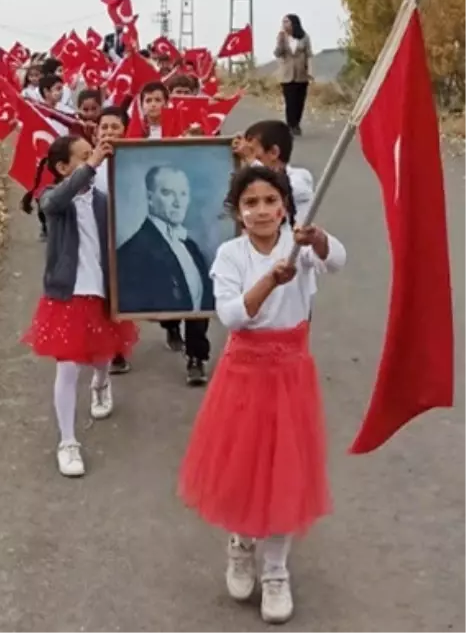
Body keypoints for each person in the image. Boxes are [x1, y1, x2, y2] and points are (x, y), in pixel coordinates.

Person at [177, 165, 345, 624]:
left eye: (272, 201)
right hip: (244, 372)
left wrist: (319, 240)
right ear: (238, 211)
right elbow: (232, 315)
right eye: (251, 203)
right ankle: (240, 542)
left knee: (285, 472)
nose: (263, 211)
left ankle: (276, 571)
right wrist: (272, 278)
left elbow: (338, 261)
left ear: (285, 205)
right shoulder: (230, 255)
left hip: (291, 372)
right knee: (243, 468)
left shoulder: (300, 244)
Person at [22, 135, 138, 477]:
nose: (95, 159)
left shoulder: (103, 201)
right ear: (63, 167)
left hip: (103, 291)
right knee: (68, 365)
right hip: (68, 293)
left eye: (94, 153)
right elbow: (55, 200)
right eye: (84, 156)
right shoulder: (54, 198)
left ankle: (101, 384)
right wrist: (92, 164)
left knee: (102, 355)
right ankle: (68, 441)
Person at [116, 165, 214, 384]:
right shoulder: (133, 251)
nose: (178, 202)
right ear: (150, 198)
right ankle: (171, 327)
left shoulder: (191, 246)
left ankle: (196, 355)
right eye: (168, 193)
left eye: (183, 194)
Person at [91, 106, 133, 375]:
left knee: (119, 295)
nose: (108, 132)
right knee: (98, 295)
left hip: (124, 237)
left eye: (114, 127)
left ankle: (118, 349)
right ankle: (101, 348)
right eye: (103, 127)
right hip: (93, 240)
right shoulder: (88, 163)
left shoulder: (134, 160)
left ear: (125, 131)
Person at [237, 119, 315, 221]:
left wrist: (252, 162)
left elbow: (279, 188)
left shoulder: (300, 178)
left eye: (252, 151)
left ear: (274, 152)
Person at [275, 14, 313, 136]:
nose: (285, 24)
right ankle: (291, 125)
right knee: (290, 101)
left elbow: (309, 54)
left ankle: (296, 123)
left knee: (299, 102)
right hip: (287, 75)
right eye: (283, 22)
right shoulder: (282, 37)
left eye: (287, 22)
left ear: (293, 24)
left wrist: (310, 71)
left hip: (301, 74)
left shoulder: (304, 37)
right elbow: (278, 53)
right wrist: (280, 42)